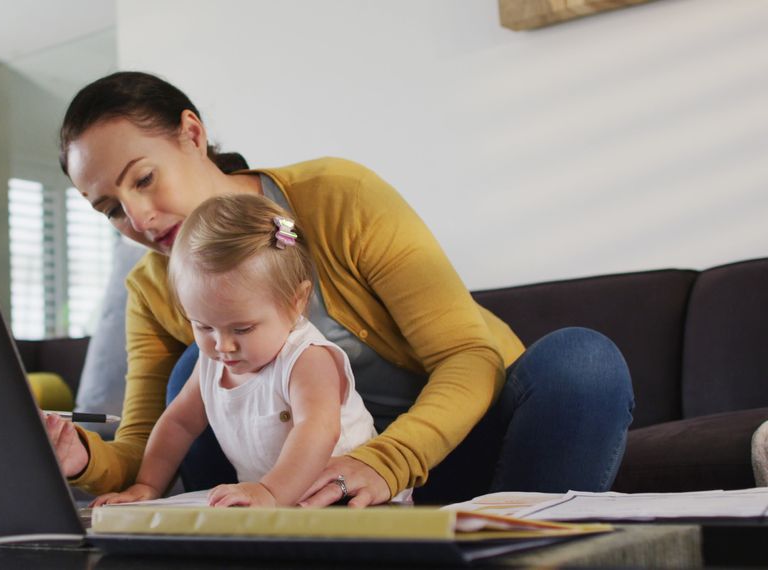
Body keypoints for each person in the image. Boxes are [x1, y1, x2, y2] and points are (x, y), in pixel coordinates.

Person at [44, 70, 634, 507]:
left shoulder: (339, 196)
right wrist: (81, 459)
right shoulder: (153, 288)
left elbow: (468, 355)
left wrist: (387, 461)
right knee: (192, 375)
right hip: (316, 489)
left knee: (584, 362)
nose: (140, 219)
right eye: (110, 209)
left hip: (461, 443)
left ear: (191, 134)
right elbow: (148, 444)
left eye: (144, 179)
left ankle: (515, 543)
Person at [91, 194, 380, 508]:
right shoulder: (212, 361)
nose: (222, 345)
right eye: (203, 326)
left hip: (352, 502)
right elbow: (178, 423)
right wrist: (146, 485)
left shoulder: (308, 359)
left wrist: (270, 491)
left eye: (242, 329)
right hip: (279, 504)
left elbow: (318, 431)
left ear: (296, 301)